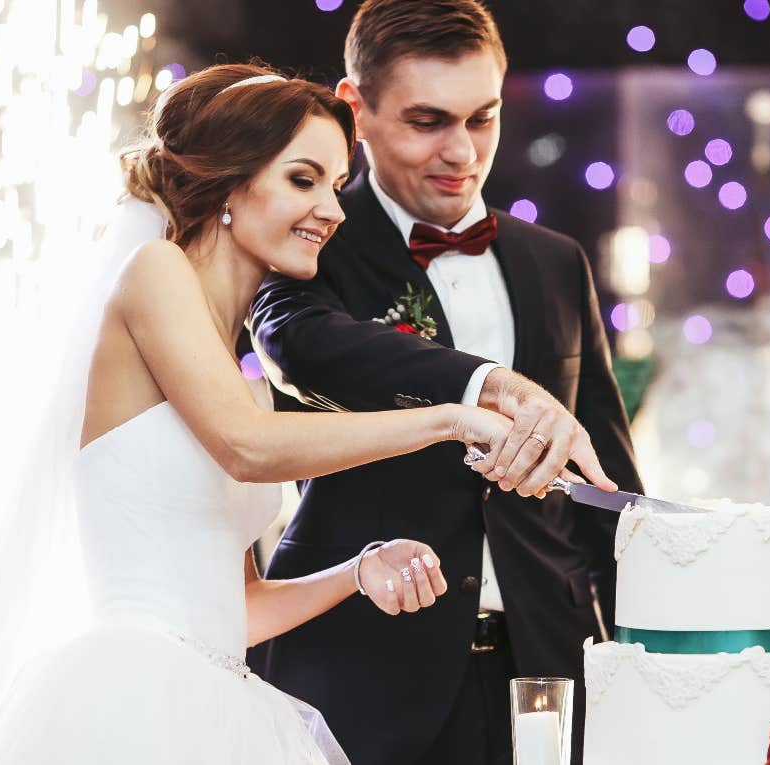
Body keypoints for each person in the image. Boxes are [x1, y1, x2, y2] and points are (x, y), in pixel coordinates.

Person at [0, 63, 531, 765]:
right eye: (304, 179)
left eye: (334, 184)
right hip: (134, 693)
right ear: (232, 183)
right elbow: (248, 448)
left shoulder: (237, 374)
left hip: (220, 701)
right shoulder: (155, 272)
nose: (332, 209)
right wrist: (450, 417)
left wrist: (357, 569)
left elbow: (239, 609)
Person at [248, 1, 644, 762]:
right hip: (362, 670)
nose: (461, 151)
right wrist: (489, 385)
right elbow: (298, 343)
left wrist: (650, 658)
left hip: (547, 675)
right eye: (427, 121)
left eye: (482, 118)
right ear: (355, 110)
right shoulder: (310, 236)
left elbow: (608, 487)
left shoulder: (556, 260)